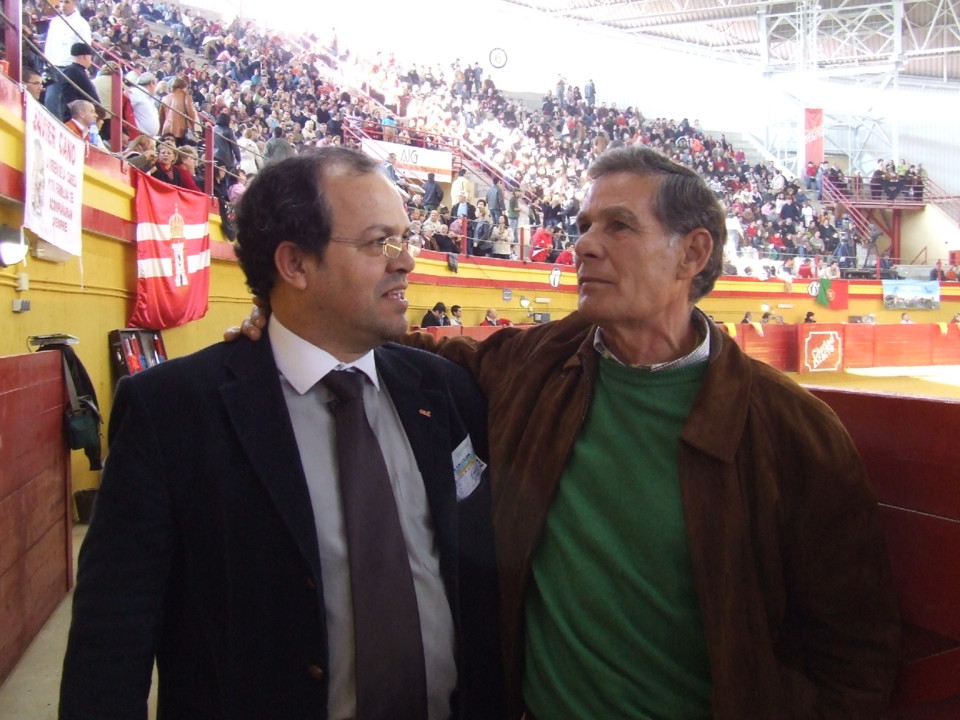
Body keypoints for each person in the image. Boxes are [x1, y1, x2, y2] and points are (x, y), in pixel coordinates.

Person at [234, 146, 900, 719]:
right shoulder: (534, 365)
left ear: (692, 253)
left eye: (618, 226)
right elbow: (415, 353)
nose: (583, 244)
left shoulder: (794, 432)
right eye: (583, 225)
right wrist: (289, 318)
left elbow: (856, 656)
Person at [60, 148, 504, 719]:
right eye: (380, 243)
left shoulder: (444, 390)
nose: (408, 261)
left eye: (404, 238)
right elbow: (110, 641)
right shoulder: (171, 411)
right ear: (294, 264)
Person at [42, 0, 91, 118]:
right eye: (61, 2)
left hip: (71, 68)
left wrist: (80, 68)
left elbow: (84, 47)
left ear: (74, 3)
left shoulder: (82, 23)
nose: (63, 5)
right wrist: (47, 63)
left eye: (66, 2)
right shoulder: (55, 21)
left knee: (68, 105)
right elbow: (49, 44)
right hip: (54, 66)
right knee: (51, 101)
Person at [58, 43, 100, 123]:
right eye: (90, 57)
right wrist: (84, 116)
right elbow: (70, 98)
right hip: (77, 121)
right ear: (85, 56)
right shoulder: (72, 71)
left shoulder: (78, 71)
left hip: (84, 120)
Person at [158, 76, 200, 146]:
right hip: (181, 130)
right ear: (184, 87)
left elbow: (161, 116)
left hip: (167, 130)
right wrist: (193, 127)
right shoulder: (186, 97)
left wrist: (160, 130)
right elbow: (191, 113)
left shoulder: (165, 98)